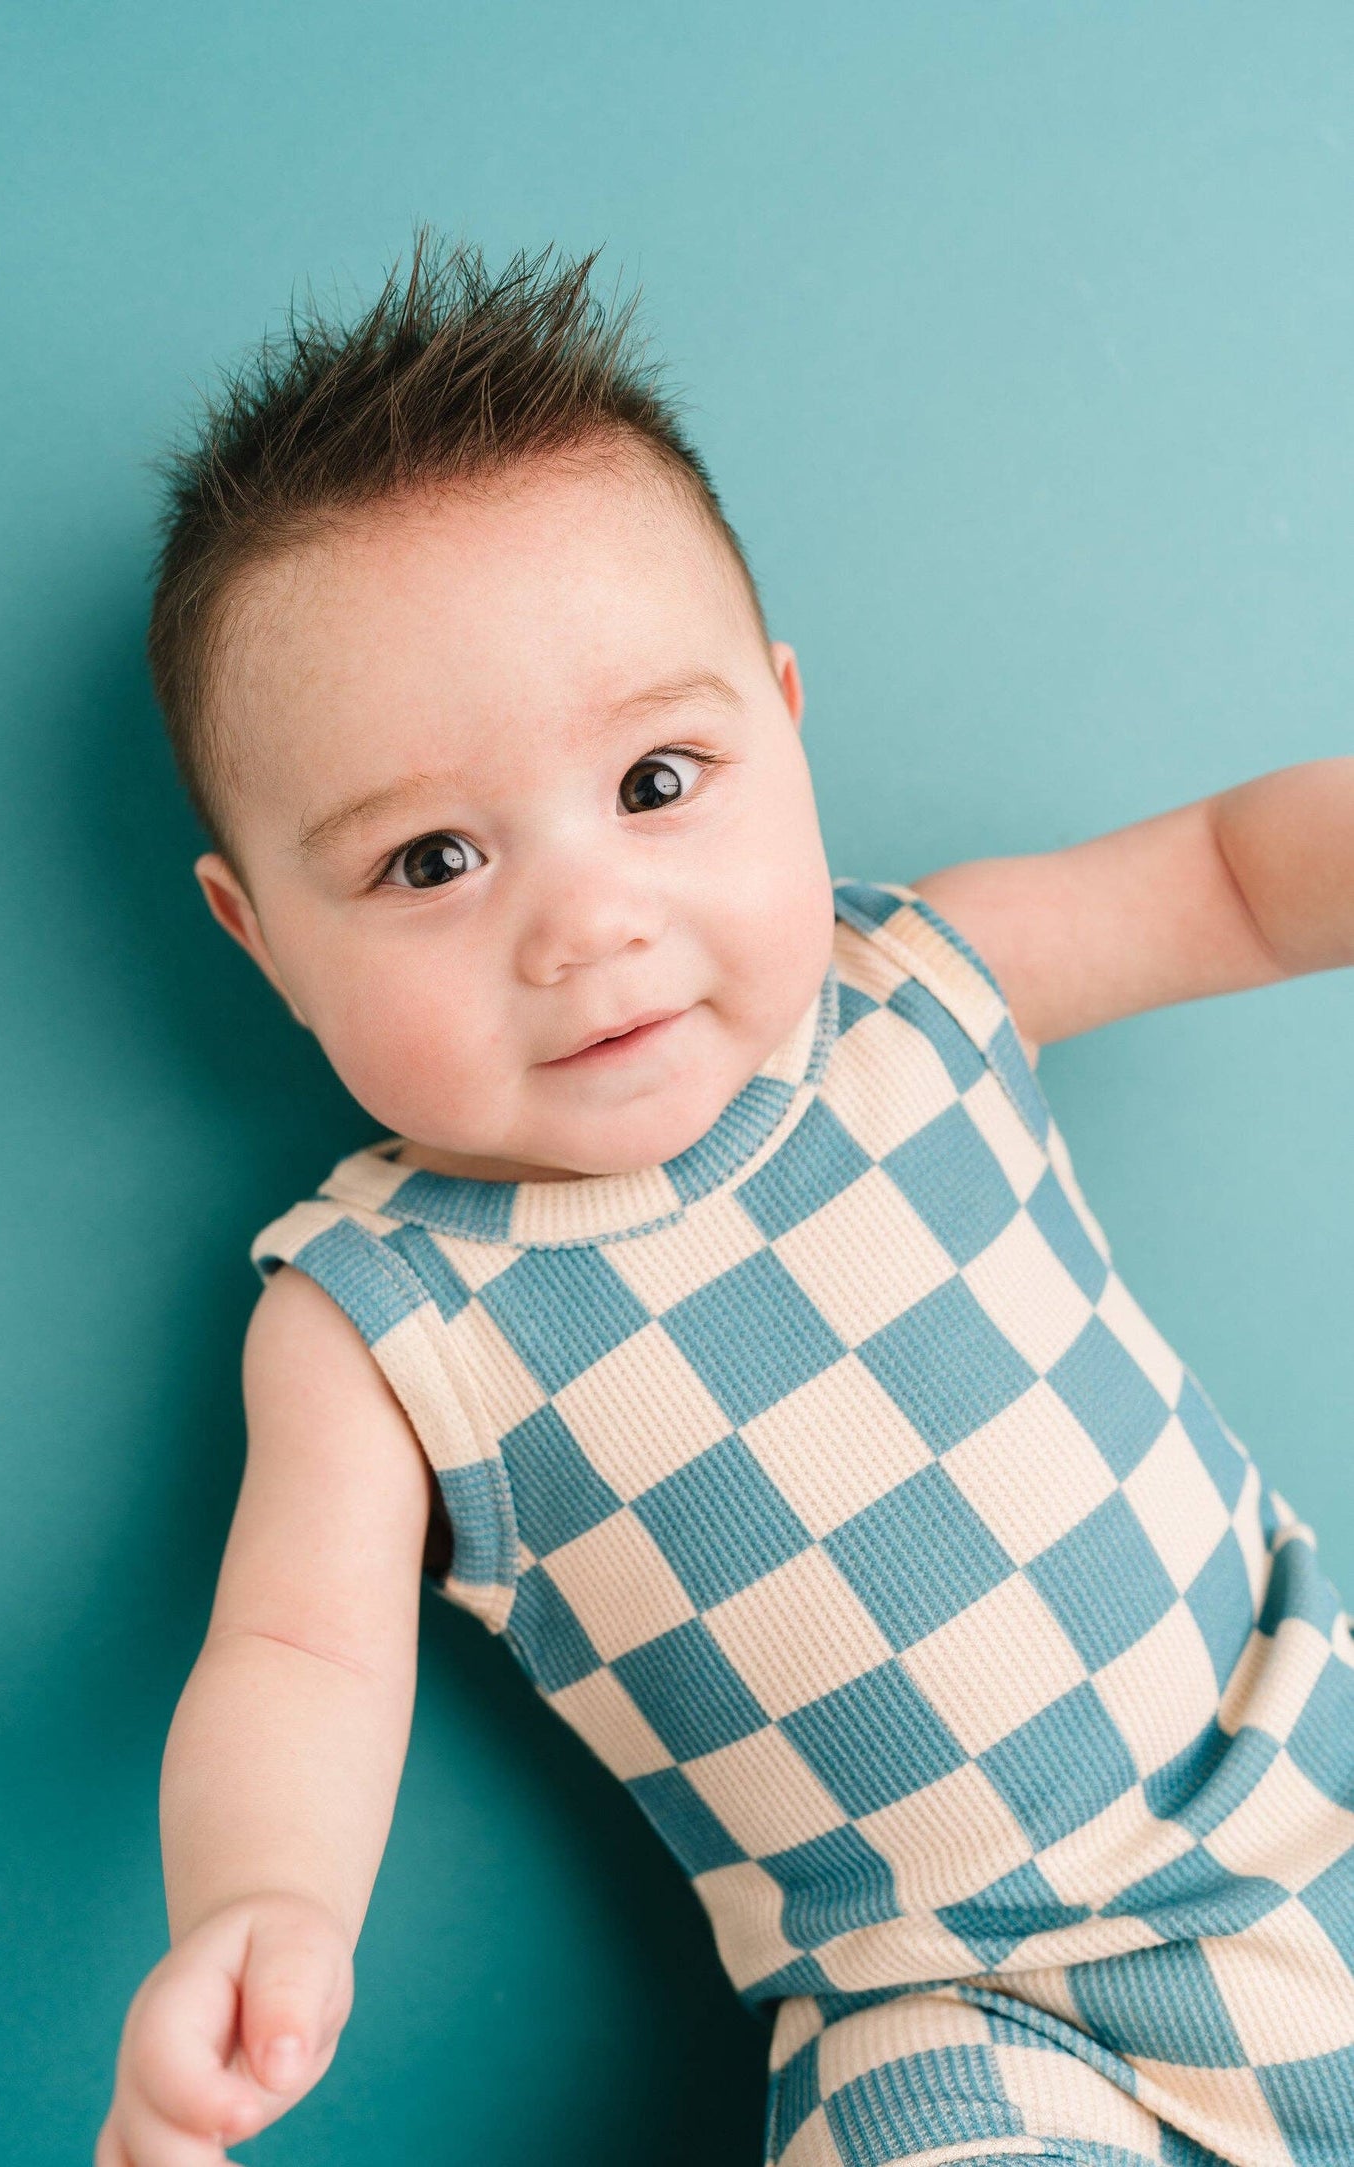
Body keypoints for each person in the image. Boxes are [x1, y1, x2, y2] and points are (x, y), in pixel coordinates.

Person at [97, 228, 1354, 2167]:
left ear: (781, 716)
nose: (586, 920)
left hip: (1313, 1742)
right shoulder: (381, 1311)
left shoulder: (918, 980)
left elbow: (1229, 877)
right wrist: (261, 1912)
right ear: (256, 935)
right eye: (434, 860)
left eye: (661, 779)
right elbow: (295, 1657)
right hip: (974, 2005)